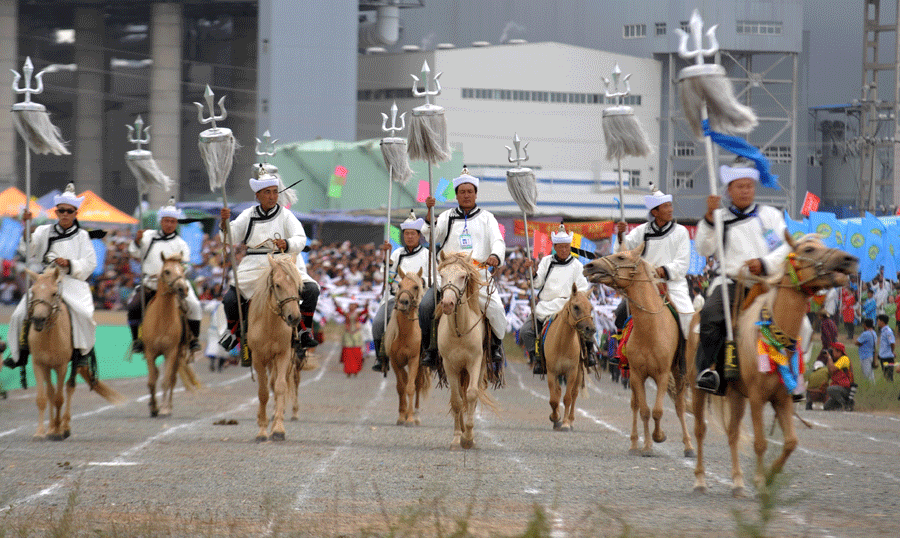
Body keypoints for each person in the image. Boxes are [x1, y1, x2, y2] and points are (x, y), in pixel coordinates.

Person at [694, 160, 792, 394]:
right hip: (731, 282)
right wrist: (709, 217)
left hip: (766, 282)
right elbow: (703, 249)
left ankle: (794, 377)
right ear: (729, 190)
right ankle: (708, 371)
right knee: (710, 314)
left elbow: (785, 247)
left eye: (749, 186)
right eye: (740, 186)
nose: (745, 191)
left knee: (802, 323)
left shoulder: (769, 216)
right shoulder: (719, 218)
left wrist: (764, 263)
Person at [219, 168, 319, 367]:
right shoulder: (247, 215)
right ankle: (234, 334)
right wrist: (224, 223)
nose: (272, 196)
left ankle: (303, 330)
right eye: (267, 192)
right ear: (258, 195)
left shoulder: (286, 215)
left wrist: (287, 244)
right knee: (230, 299)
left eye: (275, 192)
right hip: (253, 266)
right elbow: (229, 238)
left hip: (282, 264)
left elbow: (301, 238)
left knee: (312, 290)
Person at [3, 184, 99, 371]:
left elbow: (90, 264)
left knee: (84, 314)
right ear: (56, 212)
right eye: (61, 210)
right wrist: (26, 228)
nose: (65, 214)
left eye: (69, 211)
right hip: (46, 280)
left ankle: (81, 354)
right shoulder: (42, 231)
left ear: (75, 213)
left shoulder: (82, 236)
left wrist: (70, 264)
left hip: (71, 281)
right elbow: (27, 250)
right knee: (19, 314)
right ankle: (20, 353)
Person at [420, 167, 507, 369]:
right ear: (457, 194)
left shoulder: (487, 218)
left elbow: (498, 241)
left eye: (470, 191)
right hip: (451, 274)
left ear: (475, 194)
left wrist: (495, 255)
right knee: (425, 306)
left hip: (478, 275)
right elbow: (432, 234)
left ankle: (495, 345)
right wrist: (429, 212)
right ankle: (431, 348)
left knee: (496, 309)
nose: (466, 195)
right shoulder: (447, 216)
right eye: (462, 191)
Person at [614, 189, 695, 338]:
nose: (670, 209)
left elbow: (682, 263)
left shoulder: (681, 232)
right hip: (645, 285)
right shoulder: (641, 231)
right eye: (666, 206)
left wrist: (663, 270)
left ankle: (685, 357)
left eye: (670, 205)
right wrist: (620, 236)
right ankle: (620, 356)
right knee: (620, 313)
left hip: (672, 285)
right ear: (655, 212)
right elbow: (623, 252)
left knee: (687, 317)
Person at [126, 198, 202, 355]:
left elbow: (186, 266)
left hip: (175, 285)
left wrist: (177, 276)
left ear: (176, 223)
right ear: (161, 221)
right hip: (151, 284)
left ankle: (194, 338)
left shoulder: (181, 243)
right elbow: (134, 253)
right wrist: (137, 241)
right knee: (133, 307)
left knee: (194, 305)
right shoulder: (147, 236)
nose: (169, 224)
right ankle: (137, 340)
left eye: (173, 221)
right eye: (166, 221)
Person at [520, 224, 593, 375]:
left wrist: (574, 300)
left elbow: (582, 289)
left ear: (570, 247)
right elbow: (537, 282)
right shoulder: (546, 261)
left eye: (566, 247)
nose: (564, 250)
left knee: (589, 325)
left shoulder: (577, 266)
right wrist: (531, 271)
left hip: (568, 307)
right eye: (560, 247)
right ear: (555, 247)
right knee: (525, 331)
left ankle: (590, 353)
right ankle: (537, 358)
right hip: (546, 306)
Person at [371, 211, 429, 373]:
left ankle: (432, 354)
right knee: (377, 323)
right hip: (396, 297)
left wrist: (420, 282)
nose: (409, 237)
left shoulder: (427, 255)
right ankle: (381, 357)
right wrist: (386, 260)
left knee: (432, 319)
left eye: (413, 234)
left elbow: (435, 278)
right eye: (407, 234)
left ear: (419, 236)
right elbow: (388, 279)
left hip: (420, 297)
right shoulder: (396, 254)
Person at [335, 302, 367, 377]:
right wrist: (336, 303)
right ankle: (348, 370)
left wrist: (367, 304)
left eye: (353, 305)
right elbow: (339, 311)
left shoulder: (358, 313)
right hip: (348, 334)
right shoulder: (346, 314)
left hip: (356, 334)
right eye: (350, 305)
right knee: (348, 352)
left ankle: (356, 369)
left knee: (356, 352)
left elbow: (365, 311)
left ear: (356, 306)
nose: (352, 306)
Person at [823, 342, 854, 411]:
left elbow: (832, 369)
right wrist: (829, 359)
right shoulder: (837, 360)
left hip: (845, 389)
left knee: (830, 389)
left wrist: (829, 357)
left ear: (839, 352)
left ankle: (845, 405)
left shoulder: (844, 359)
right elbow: (831, 371)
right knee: (826, 407)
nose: (832, 352)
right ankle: (839, 404)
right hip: (838, 388)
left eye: (833, 350)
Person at [855, 318, 877, 383]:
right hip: (871, 355)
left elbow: (857, 342)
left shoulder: (865, 334)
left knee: (867, 376)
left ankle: (870, 388)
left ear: (865, 325)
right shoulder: (874, 333)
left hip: (865, 356)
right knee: (871, 374)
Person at [876, 314, 895, 382]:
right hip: (883, 356)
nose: (877, 322)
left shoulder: (888, 331)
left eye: (878, 321)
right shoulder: (883, 331)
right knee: (886, 375)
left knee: (889, 376)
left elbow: (892, 343)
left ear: (882, 321)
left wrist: (892, 352)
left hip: (888, 357)